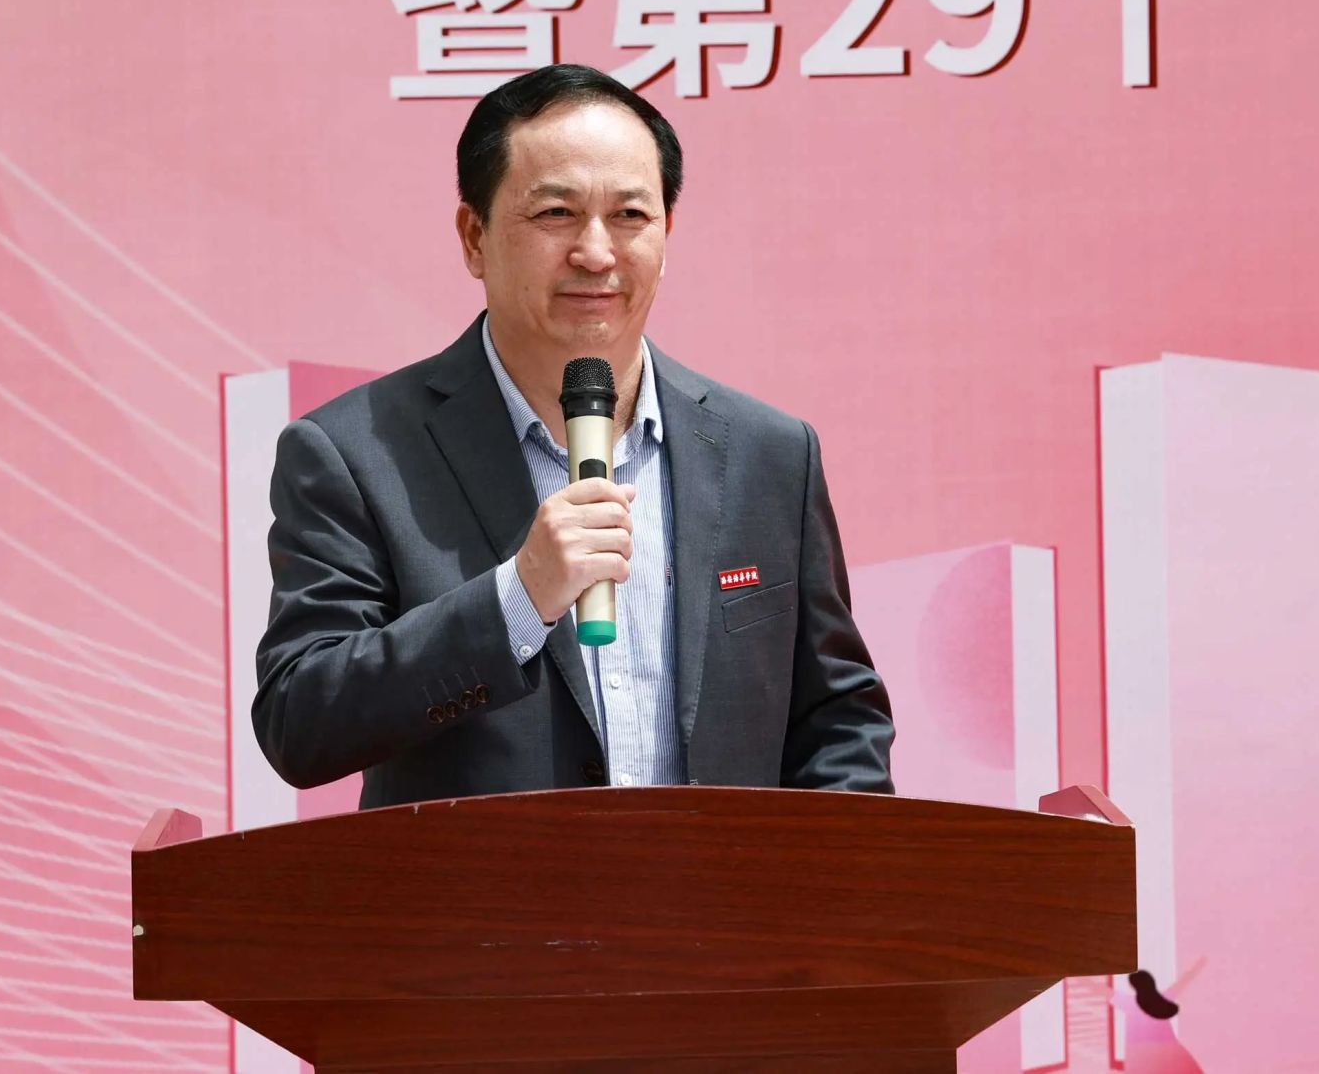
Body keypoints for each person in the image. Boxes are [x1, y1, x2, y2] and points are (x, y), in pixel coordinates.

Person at [252, 63, 894, 808]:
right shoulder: (355, 452)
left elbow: (837, 720)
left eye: (630, 215)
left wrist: (833, 874)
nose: (596, 252)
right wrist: (518, 599)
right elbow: (300, 719)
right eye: (556, 213)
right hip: (485, 888)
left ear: (667, 233)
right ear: (474, 236)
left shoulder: (769, 454)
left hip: (719, 887)